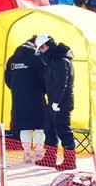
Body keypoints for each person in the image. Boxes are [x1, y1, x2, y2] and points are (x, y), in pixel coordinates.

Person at [33, 35, 77, 170]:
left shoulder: (60, 60)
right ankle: (50, 158)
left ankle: (70, 161)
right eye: (39, 49)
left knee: (63, 131)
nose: (41, 51)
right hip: (52, 101)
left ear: (48, 45)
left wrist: (56, 102)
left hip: (61, 103)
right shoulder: (52, 60)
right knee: (49, 129)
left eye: (42, 48)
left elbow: (61, 83)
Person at [4, 37, 47, 162]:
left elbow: (7, 79)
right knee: (40, 126)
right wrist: (43, 91)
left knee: (24, 127)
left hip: (18, 99)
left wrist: (17, 90)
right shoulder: (37, 58)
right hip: (36, 98)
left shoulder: (12, 59)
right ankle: (39, 152)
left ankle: (27, 153)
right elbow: (44, 78)